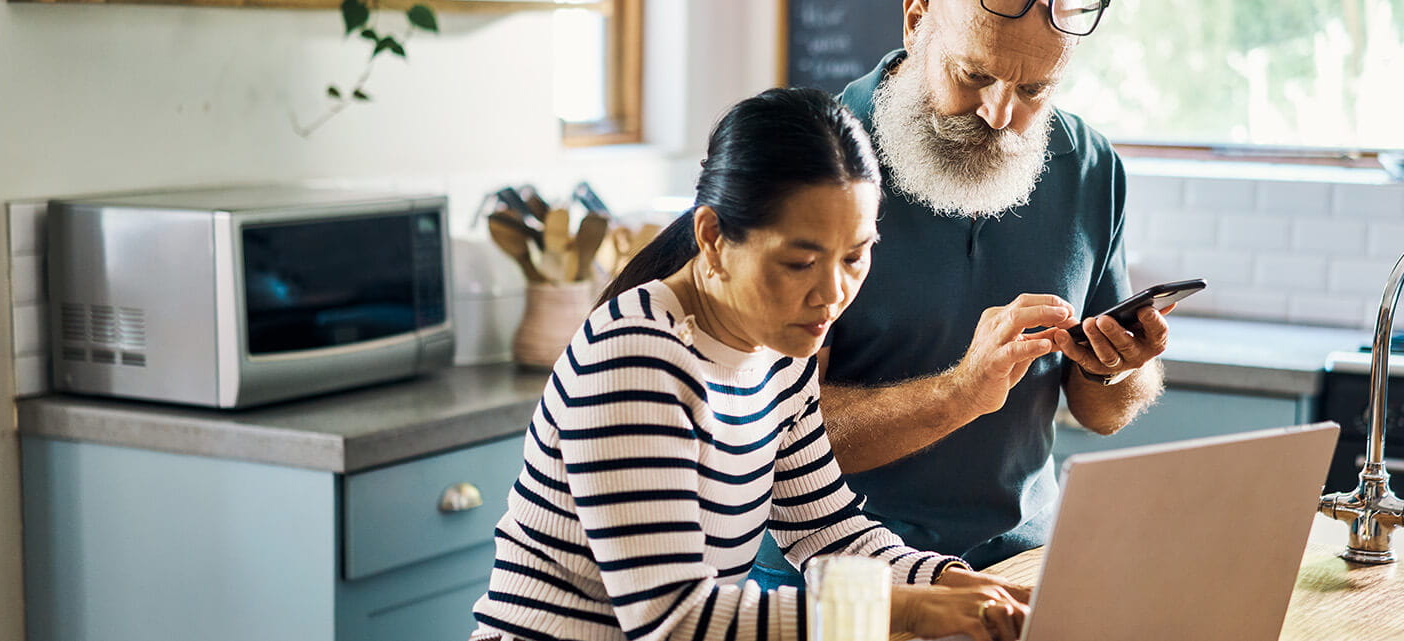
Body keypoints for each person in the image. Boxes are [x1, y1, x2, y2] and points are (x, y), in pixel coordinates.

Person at [470, 87, 1030, 641]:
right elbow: (675, 620)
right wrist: (901, 610)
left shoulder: (780, 349)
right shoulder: (636, 360)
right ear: (712, 237)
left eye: (856, 256)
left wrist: (956, 583)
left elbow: (826, 530)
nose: (831, 294)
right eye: (799, 262)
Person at [749, 0, 1173, 587]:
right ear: (916, 19)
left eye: (1034, 89)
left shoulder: (1090, 166)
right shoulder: (811, 160)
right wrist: (961, 393)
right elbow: (762, 441)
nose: (1000, 114)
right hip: (839, 578)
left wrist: (1117, 370)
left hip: (1022, 567)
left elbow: (1100, 415)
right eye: (973, 75)